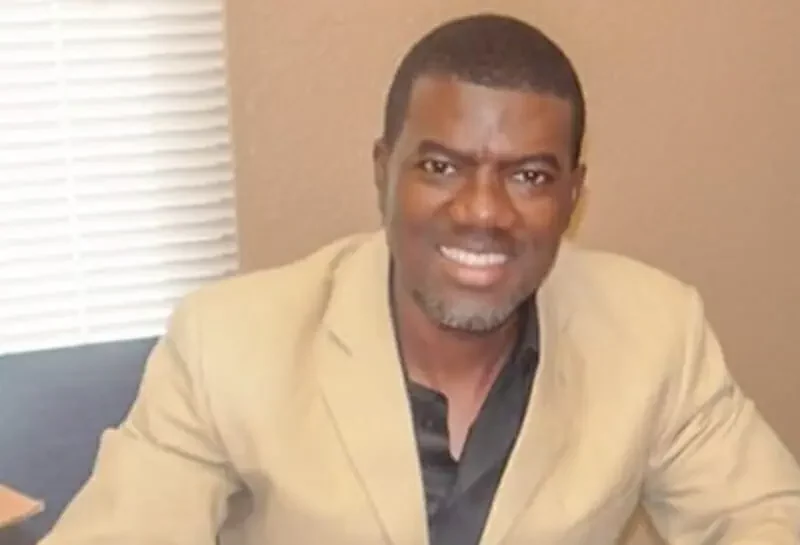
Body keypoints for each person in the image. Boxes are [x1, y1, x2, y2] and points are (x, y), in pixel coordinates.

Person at [40, 12, 800, 545]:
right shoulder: (229, 342)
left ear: (573, 196)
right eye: (441, 166)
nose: (482, 212)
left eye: (530, 176)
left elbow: (768, 518)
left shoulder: (655, 332)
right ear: (383, 172)